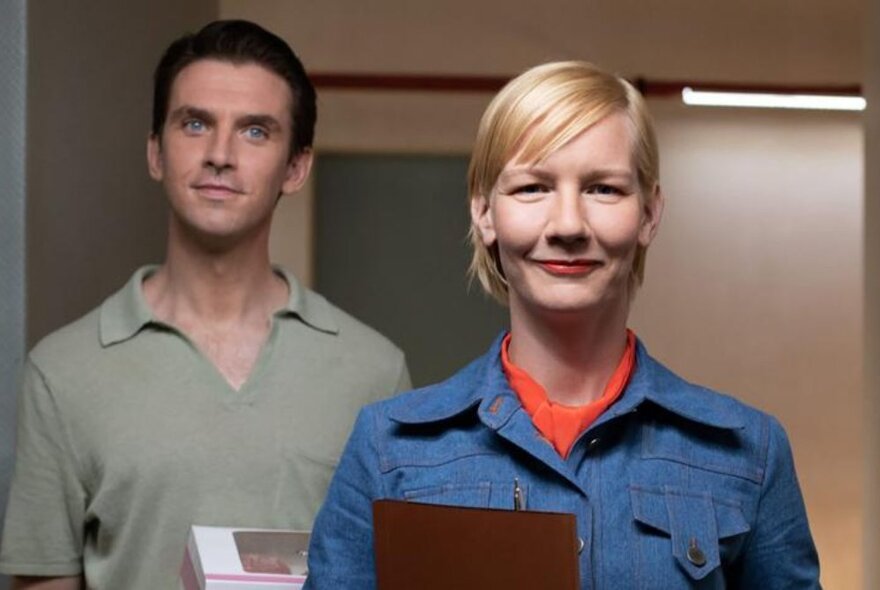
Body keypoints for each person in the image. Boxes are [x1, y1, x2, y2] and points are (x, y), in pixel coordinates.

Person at [304, 61, 820, 589]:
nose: (569, 225)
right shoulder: (390, 448)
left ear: (649, 214)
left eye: (603, 189)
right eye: (532, 188)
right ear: (484, 213)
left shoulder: (748, 453)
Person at [0, 20, 409, 590]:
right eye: (194, 124)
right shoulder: (63, 371)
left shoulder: (375, 371)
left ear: (295, 167)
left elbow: (396, 572)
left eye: (255, 132)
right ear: (155, 153)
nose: (219, 154)